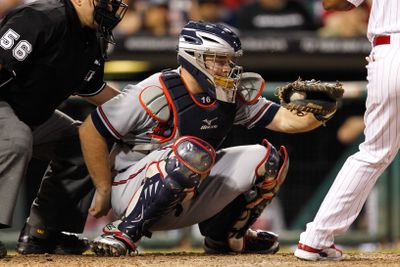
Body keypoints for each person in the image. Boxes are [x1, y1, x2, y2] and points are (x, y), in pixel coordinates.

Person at [79, 20, 334, 256]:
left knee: (269, 160)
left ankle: (224, 237)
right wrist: (102, 188)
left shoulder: (229, 93)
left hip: (189, 185)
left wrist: (322, 111)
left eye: (229, 60)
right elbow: (91, 130)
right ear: (193, 58)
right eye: (218, 60)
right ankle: (124, 233)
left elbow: (287, 121)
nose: (226, 67)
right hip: (131, 190)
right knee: (193, 152)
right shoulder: (153, 90)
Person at [0, 0, 128, 258]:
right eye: (106, 2)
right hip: (4, 104)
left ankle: (44, 233)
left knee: (86, 144)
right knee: (16, 139)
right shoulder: (40, 17)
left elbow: (93, 89)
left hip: (30, 115)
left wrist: (144, 108)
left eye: (115, 4)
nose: (111, 10)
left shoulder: (90, 37)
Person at [295, 0, 400, 261]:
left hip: (390, 52)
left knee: (373, 153)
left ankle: (315, 239)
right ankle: (315, 239)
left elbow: (333, 3)